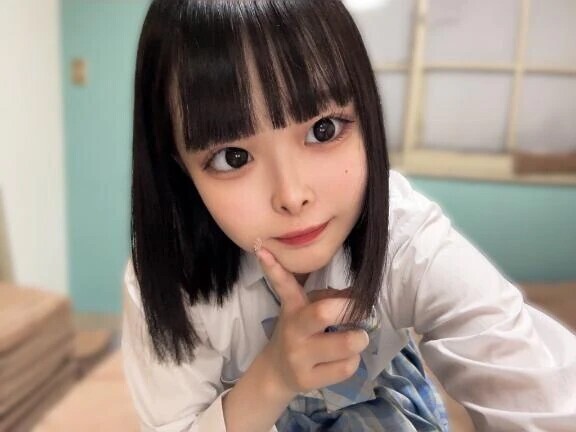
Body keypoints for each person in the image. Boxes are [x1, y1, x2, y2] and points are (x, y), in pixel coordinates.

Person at [121, 0, 576, 431]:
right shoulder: (166, 277)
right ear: (180, 166)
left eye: (323, 129)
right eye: (233, 157)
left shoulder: (404, 235)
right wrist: (273, 377)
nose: (292, 196)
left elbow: (533, 385)